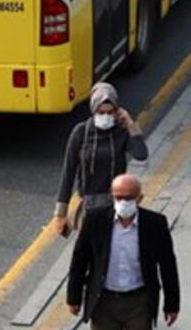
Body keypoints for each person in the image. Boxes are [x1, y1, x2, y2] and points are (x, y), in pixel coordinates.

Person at [67, 174, 181, 330]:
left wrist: (172, 303)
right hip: (104, 301)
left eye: (129, 198)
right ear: (111, 196)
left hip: (139, 301)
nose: (123, 202)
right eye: (119, 197)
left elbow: (168, 264)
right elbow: (80, 259)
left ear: (139, 198)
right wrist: (73, 297)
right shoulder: (96, 220)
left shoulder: (155, 224)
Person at [54, 82, 150, 237]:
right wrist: (60, 213)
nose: (106, 116)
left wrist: (130, 124)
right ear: (93, 110)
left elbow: (141, 154)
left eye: (110, 112)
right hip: (89, 208)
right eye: (101, 112)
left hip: (116, 206)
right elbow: (68, 172)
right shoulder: (81, 133)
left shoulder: (121, 132)